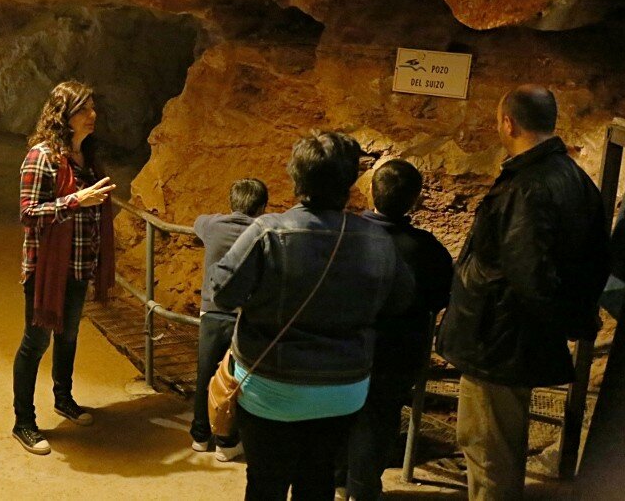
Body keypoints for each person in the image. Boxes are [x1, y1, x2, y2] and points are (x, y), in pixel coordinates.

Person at [209, 131, 415, 500]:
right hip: (343, 388)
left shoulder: (267, 232)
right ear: (350, 182)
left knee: (265, 483)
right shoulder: (377, 240)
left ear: (296, 178)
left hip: (271, 384)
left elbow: (223, 294)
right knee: (318, 479)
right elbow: (399, 300)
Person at [436, 85, 610, 500]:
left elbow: (528, 274)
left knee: (487, 449)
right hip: (515, 339)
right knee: (492, 446)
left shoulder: (527, 187)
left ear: (508, 123)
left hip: (499, 341)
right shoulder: (574, 179)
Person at [11, 81, 117, 455]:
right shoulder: (41, 157)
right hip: (46, 269)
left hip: (78, 263)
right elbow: (27, 213)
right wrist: (75, 200)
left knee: (69, 333)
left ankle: (63, 398)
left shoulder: (87, 155)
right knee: (36, 341)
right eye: (84, 109)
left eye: (92, 107)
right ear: (64, 116)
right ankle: (23, 422)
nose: (93, 115)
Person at [337, 159, 454, 501]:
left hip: (344, 344)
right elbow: (438, 297)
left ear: (371, 192)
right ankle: (362, 489)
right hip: (398, 352)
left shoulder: (345, 234)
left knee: (339, 412)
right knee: (380, 418)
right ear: (415, 200)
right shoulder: (428, 249)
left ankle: (336, 479)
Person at [190, 178, 270, 462]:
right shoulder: (263, 231)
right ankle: (226, 441)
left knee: (205, 373)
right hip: (243, 316)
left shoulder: (213, 225)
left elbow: (198, 222)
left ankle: (200, 436)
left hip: (211, 312)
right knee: (236, 378)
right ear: (261, 207)